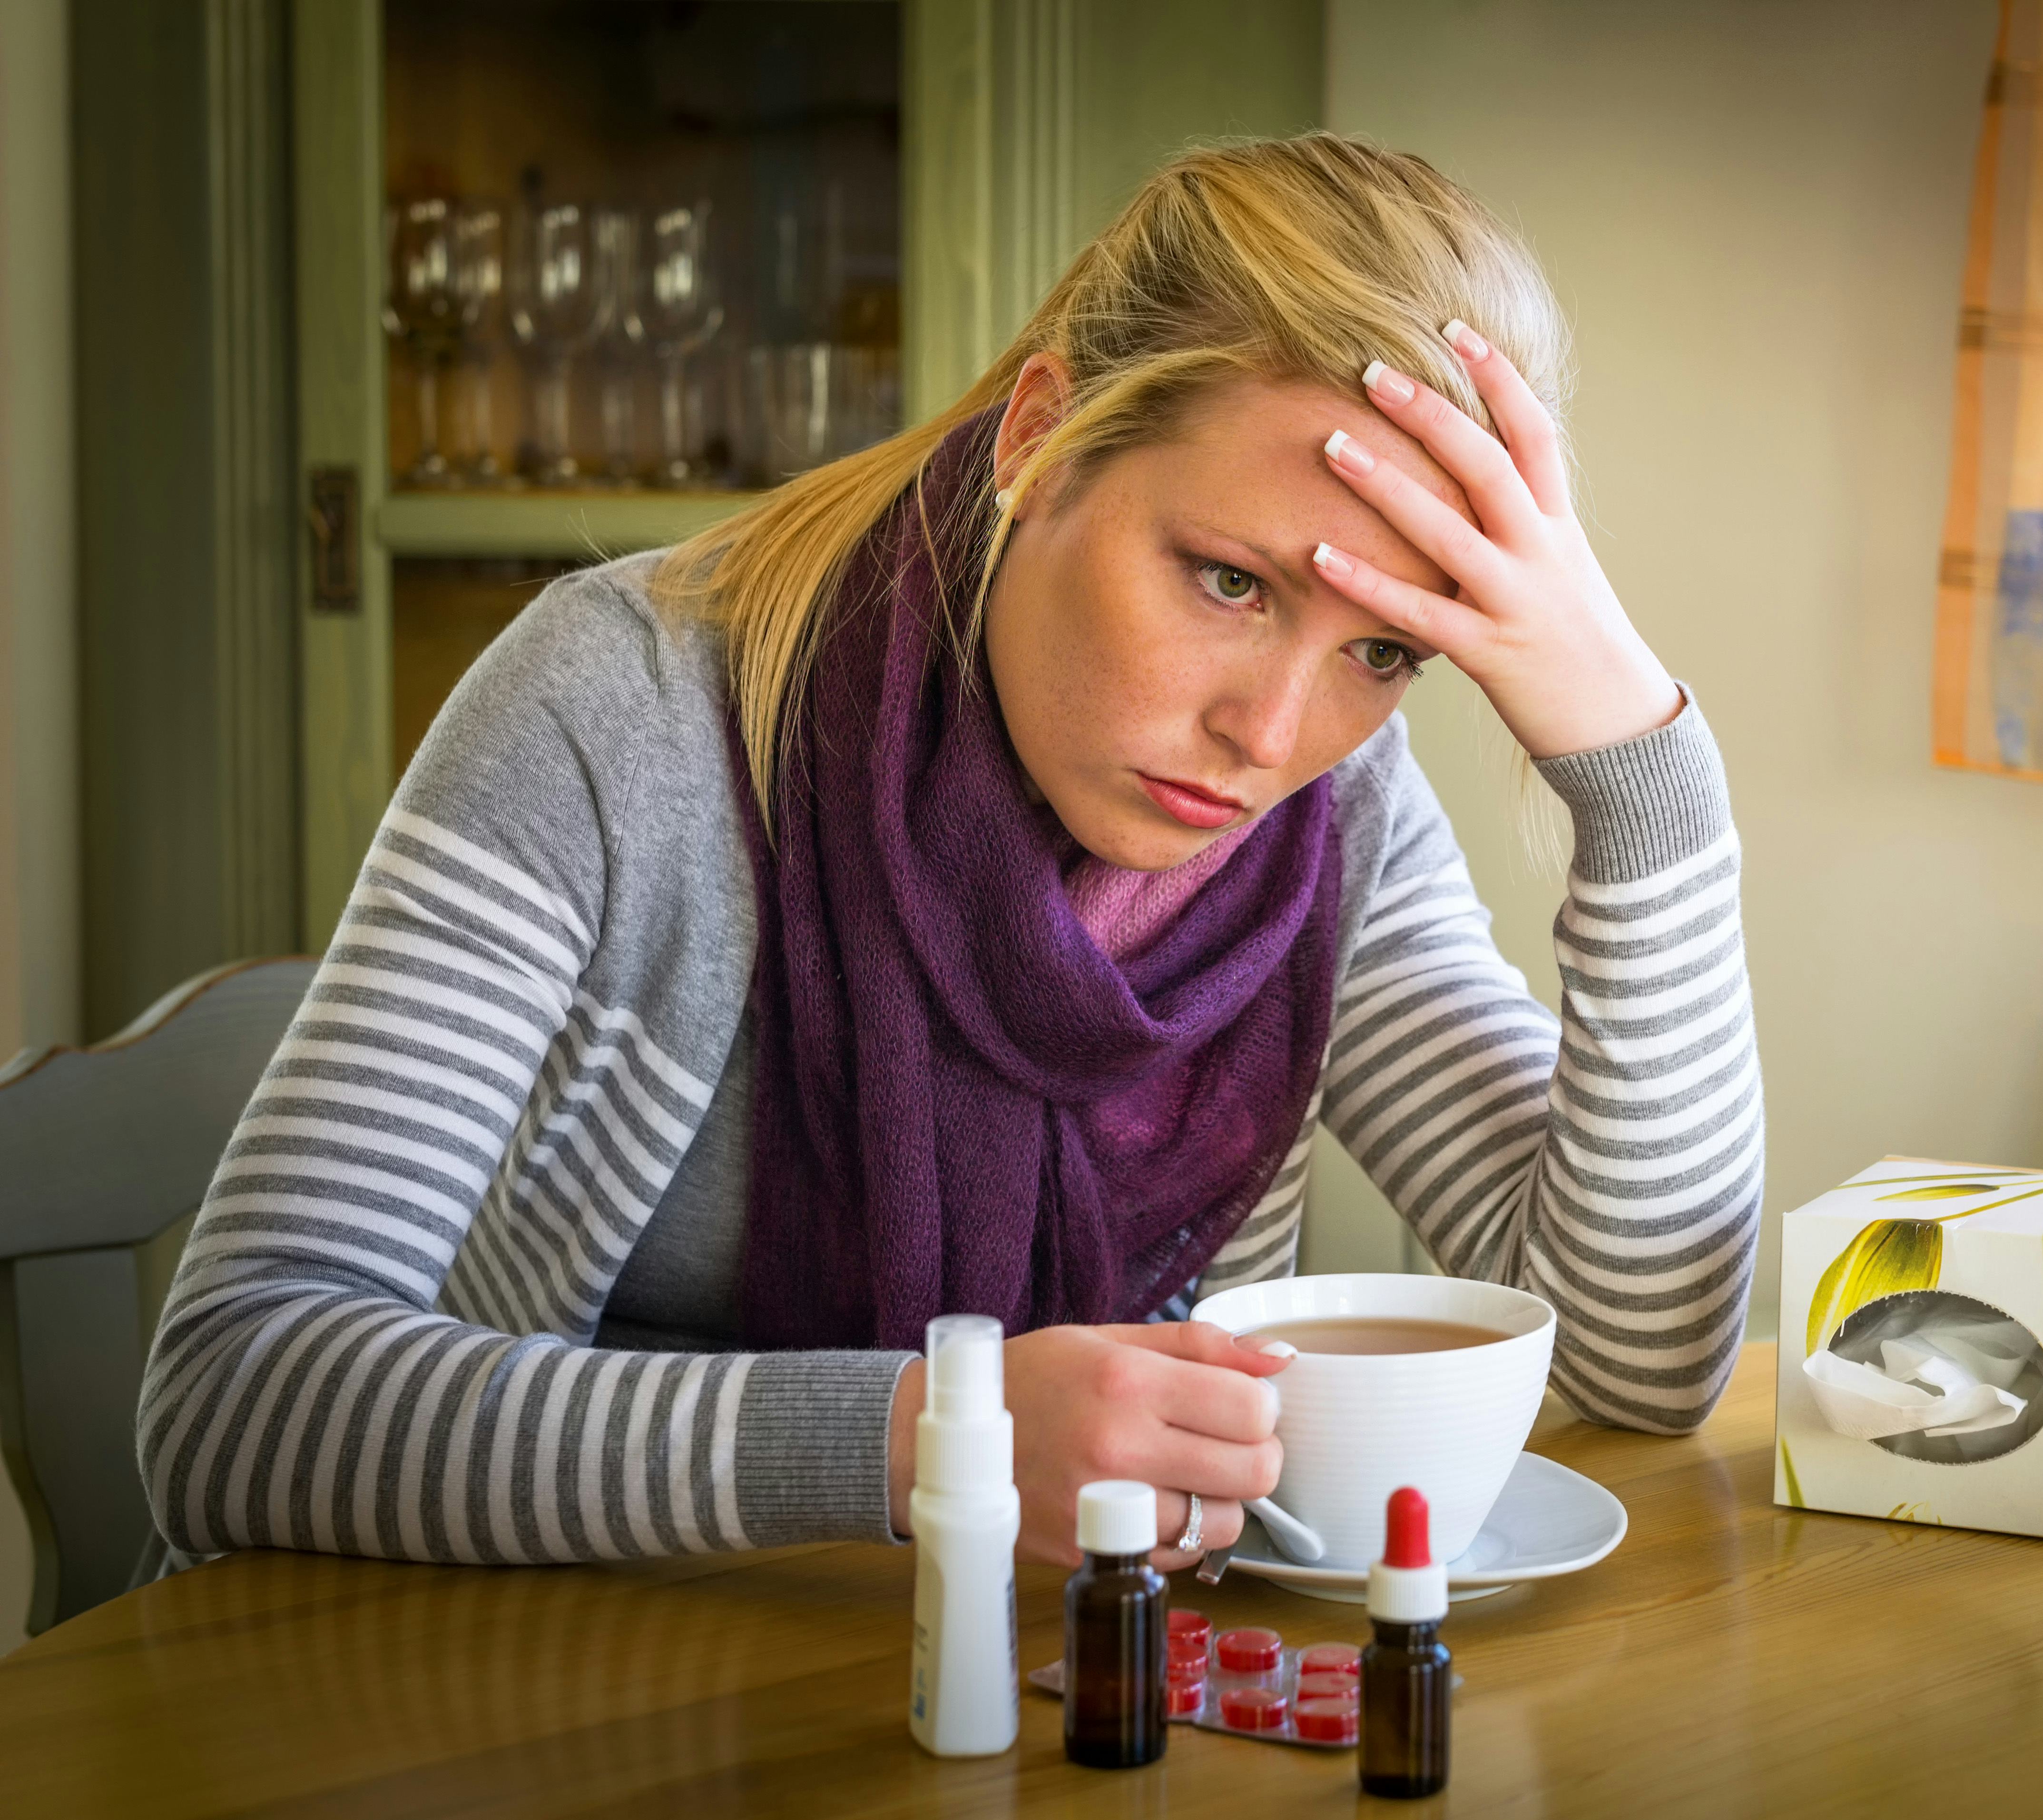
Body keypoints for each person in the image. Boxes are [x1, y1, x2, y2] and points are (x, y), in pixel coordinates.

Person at [138, 135, 1761, 1572]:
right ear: (1040, 437)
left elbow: (1639, 1357)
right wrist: (931, 1434)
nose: (1271, 733)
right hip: (540, 1695)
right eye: (1228, 581)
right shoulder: (621, 706)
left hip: (1041, 1701)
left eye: (1384, 650)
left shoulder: (1332, 814)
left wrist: (1638, 767)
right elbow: (232, 1392)